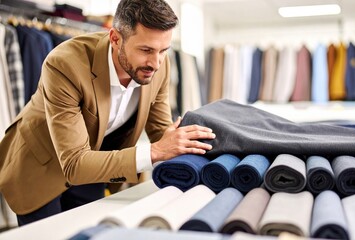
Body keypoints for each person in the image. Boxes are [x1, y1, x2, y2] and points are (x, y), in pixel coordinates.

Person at [0, 0, 215, 226]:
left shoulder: (160, 66)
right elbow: (74, 164)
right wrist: (154, 152)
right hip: (39, 165)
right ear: (115, 39)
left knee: (91, 231)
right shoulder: (65, 64)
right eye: (146, 50)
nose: (156, 62)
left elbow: (161, 132)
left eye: (163, 50)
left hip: (93, 162)